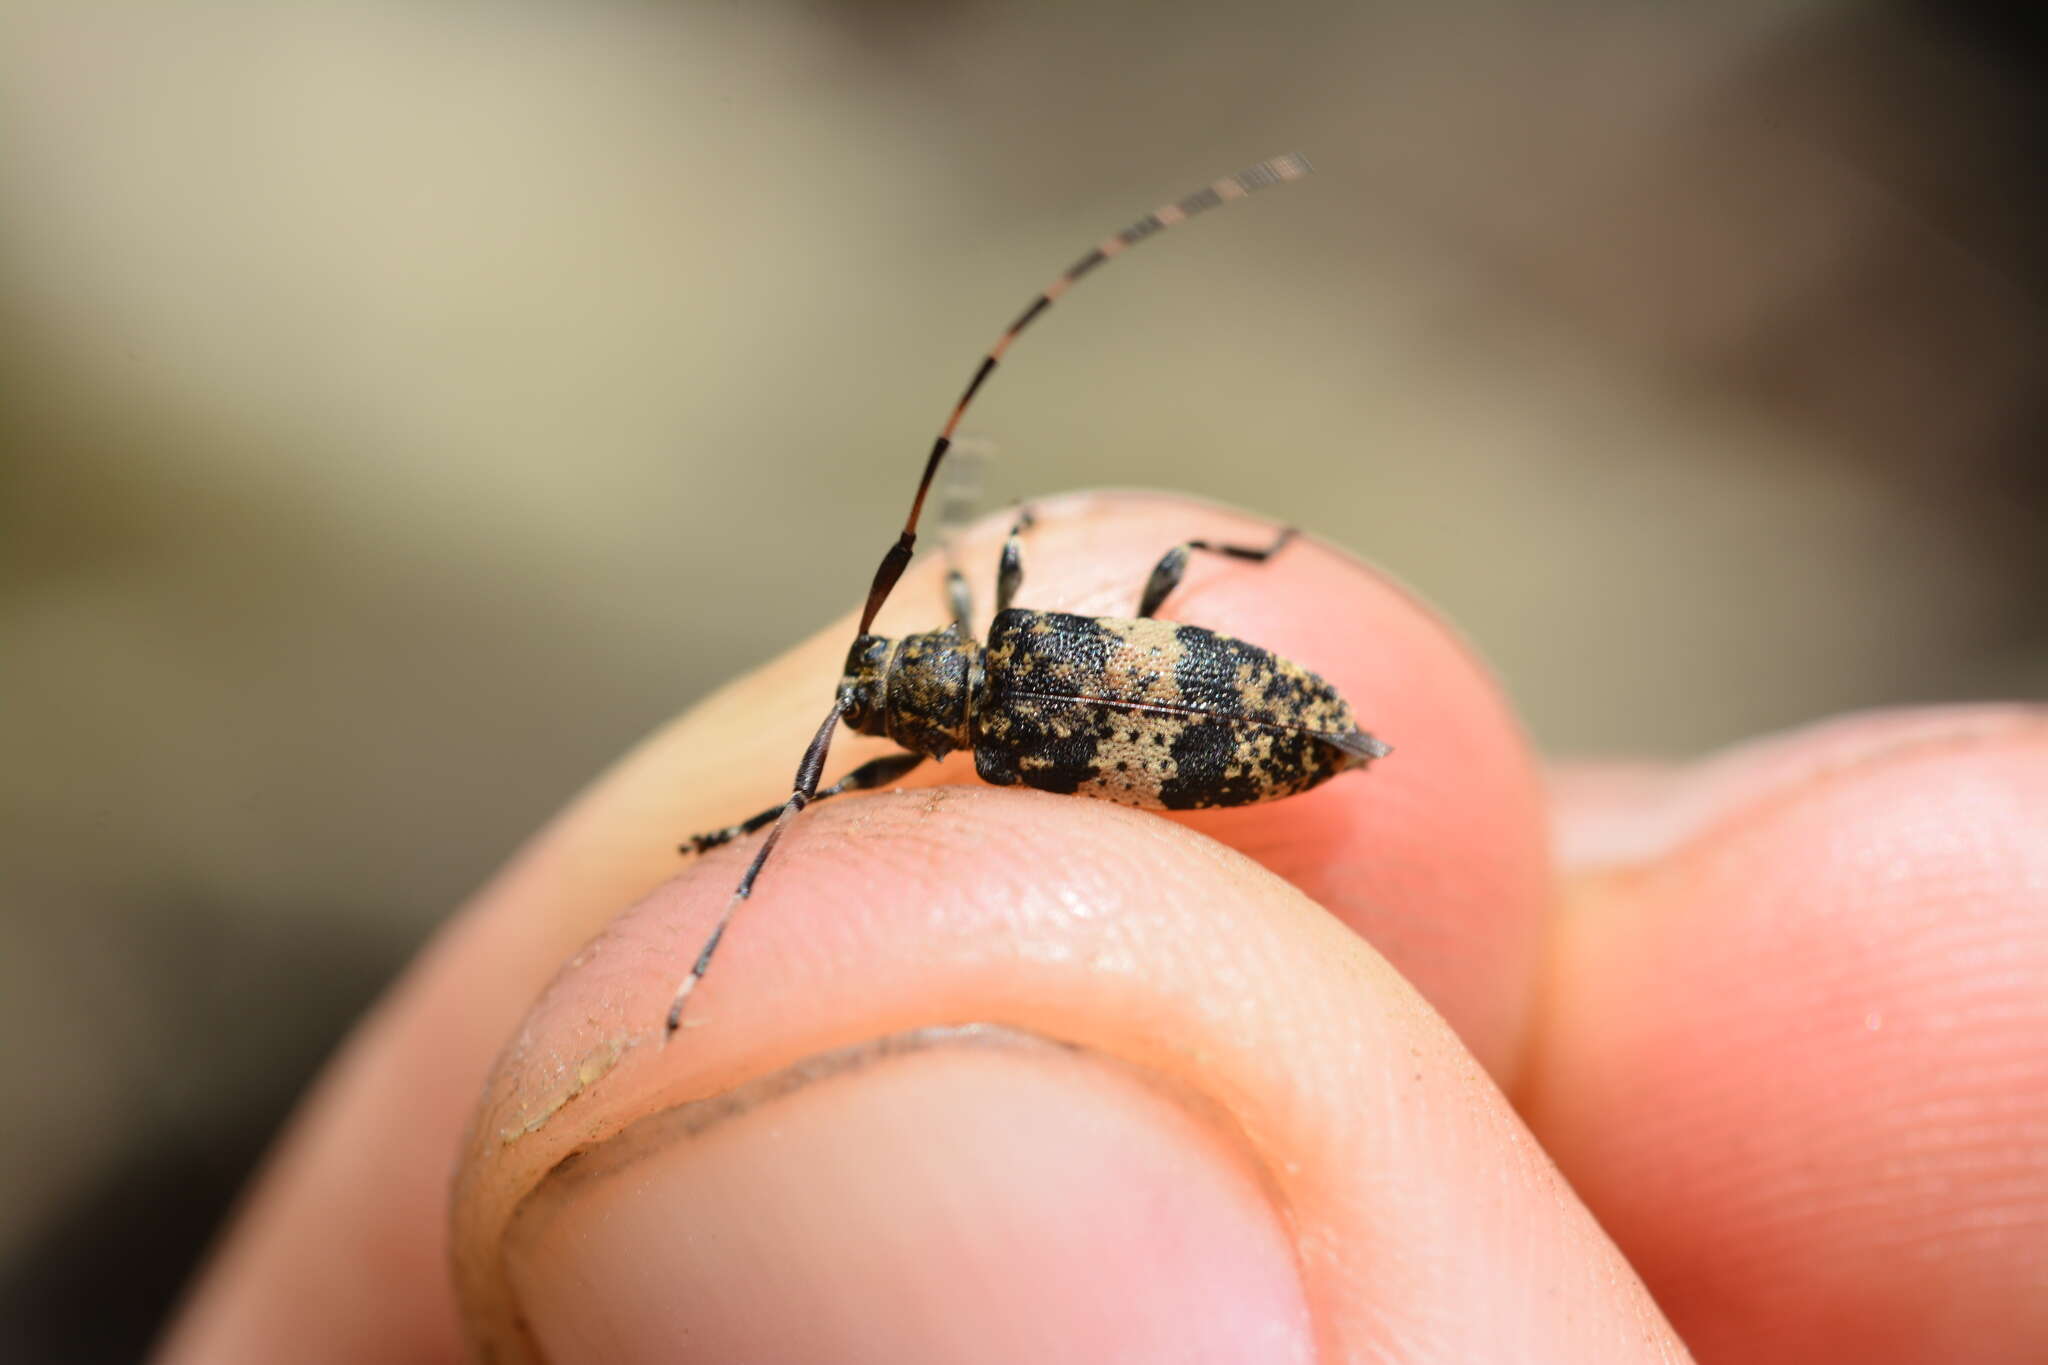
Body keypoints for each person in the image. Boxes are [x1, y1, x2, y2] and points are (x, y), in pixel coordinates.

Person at [157, 494, 2047, 1364]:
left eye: (887, 692)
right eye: (885, 705)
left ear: (927, 686)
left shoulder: (1007, 742)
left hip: (1268, 727)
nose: (886, 701)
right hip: (1240, 718)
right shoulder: (1023, 705)